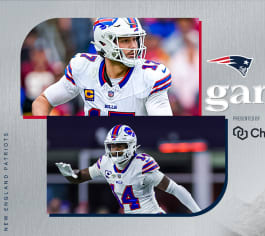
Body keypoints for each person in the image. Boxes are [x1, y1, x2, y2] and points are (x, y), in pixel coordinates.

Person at [32, 18, 173, 116]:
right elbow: (42, 102)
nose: (134, 46)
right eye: (125, 40)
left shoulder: (151, 76)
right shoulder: (83, 67)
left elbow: (162, 127)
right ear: (105, 43)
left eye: (135, 39)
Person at [55, 124, 200, 214]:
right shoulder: (106, 162)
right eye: (112, 146)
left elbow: (175, 189)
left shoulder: (142, 165)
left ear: (130, 145)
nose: (115, 150)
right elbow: (79, 177)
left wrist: (197, 212)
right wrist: (69, 174)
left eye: (120, 145)